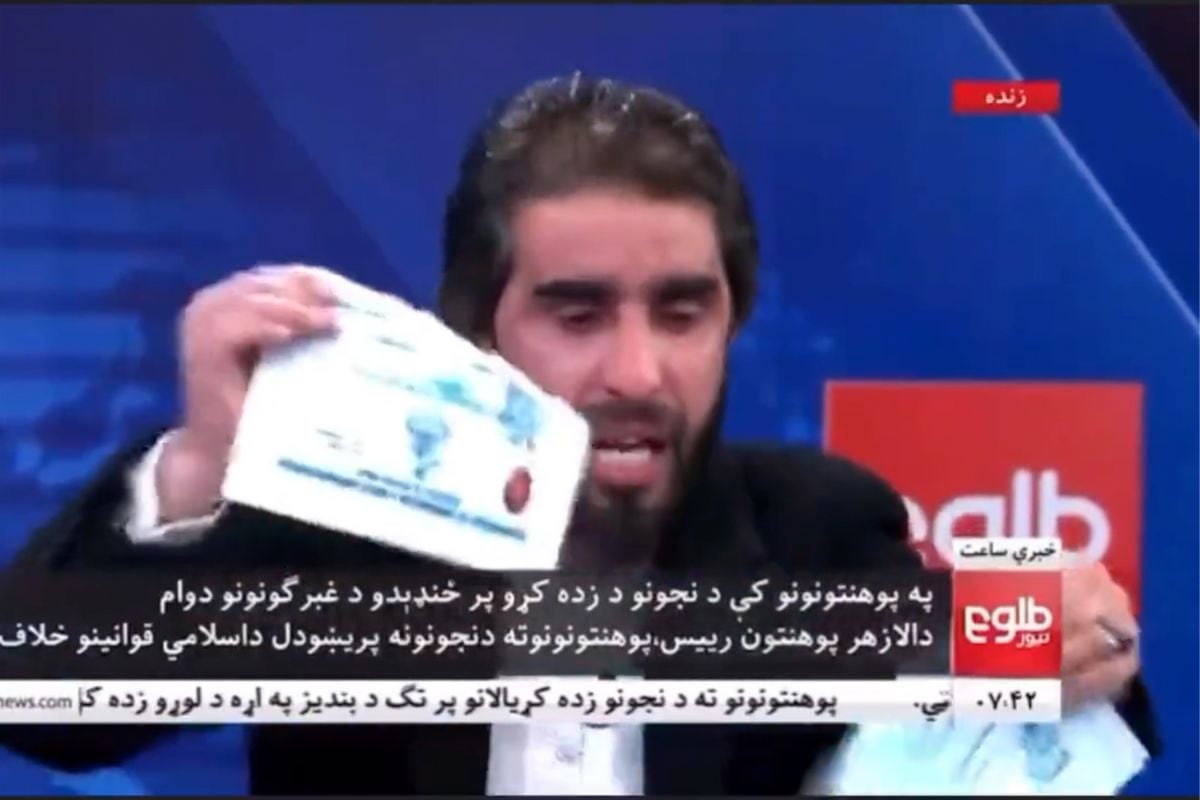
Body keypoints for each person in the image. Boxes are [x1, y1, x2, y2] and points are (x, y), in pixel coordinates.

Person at [0, 73, 1158, 795]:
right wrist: (204, 466)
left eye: (682, 311)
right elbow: (45, 702)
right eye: (577, 312)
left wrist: (1069, 626)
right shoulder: (335, 530)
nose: (638, 372)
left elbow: (1052, 695)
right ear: (477, 327)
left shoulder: (813, 523)